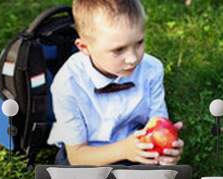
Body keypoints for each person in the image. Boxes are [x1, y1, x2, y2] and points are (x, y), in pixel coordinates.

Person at [47, 0, 184, 166]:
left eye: (139, 43)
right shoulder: (68, 84)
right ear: (84, 47)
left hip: (137, 146)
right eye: (118, 50)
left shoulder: (151, 69)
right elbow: (77, 156)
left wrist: (165, 147)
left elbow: (157, 120)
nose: (133, 59)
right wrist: (124, 150)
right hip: (88, 156)